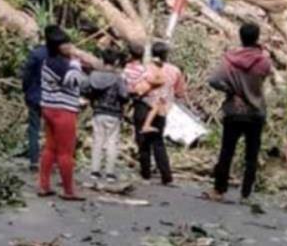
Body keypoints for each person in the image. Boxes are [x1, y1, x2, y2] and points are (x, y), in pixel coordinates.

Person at [206, 23, 272, 202]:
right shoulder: (264, 61)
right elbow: (265, 76)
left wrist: (229, 89)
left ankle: (219, 190)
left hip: (234, 110)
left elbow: (213, 80)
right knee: (252, 154)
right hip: (256, 111)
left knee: (227, 151)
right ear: (257, 37)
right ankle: (246, 193)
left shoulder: (230, 59)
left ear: (240, 36)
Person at [38, 26, 86, 201]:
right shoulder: (63, 64)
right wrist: (76, 61)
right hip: (63, 110)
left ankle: (44, 186)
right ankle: (68, 190)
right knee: (66, 151)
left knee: (50, 147)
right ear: (58, 46)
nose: (69, 46)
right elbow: (74, 81)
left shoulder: (47, 61)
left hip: (48, 107)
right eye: (65, 44)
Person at [132, 42, 185, 185]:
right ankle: (166, 176)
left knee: (143, 142)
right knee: (158, 142)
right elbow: (180, 93)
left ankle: (145, 175)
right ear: (166, 54)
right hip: (161, 109)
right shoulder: (175, 71)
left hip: (143, 106)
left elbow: (134, 86)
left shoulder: (144, 69)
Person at [82, 49, 129, 181]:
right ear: (115, 62)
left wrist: (92, 98)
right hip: (114, 113)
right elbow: (124, 95)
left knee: (97, 141)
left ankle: (95, 171)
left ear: (102, 61)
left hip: (98, 112)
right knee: (112, 143)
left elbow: (84, 88)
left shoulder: (94, 75)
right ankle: (110, 173)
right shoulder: (117, 78)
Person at [20, 32, 52, 172]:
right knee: (51, 130)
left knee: (34, 128)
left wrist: (25, 90)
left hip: (34, 96)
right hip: (52, 98)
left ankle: (34, 161)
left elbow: (26, 75)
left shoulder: (35, 54)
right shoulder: (58, 56)